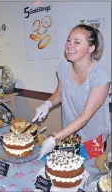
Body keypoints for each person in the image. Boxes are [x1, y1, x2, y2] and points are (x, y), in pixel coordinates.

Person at [33, 24, 111, 160]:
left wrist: (54, 139)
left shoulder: (101, 75)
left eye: (77, 42)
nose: (69, 45)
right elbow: (60, 92)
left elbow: (85, 116)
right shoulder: (64, 66)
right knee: (68, 173)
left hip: (93, 140)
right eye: (69, 40)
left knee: (86, 174)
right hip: (70, 135)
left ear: (91, 48)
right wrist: (48, 103)